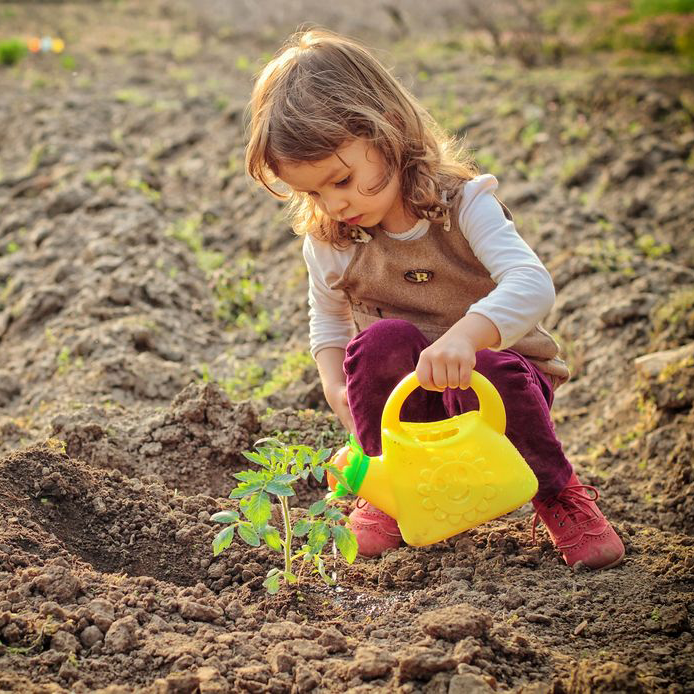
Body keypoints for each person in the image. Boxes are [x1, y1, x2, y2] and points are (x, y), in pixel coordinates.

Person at [245, 28, 625, 570]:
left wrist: (467, 337)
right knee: (379, 341)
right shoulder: (332, 238)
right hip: (406, 403)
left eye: (344, 179)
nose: (334, 202)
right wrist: (335, 389)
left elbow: (532, 282)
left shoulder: (464, 204)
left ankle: (557, 493)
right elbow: (327, 321)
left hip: (496, 391)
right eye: (314, 193)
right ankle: (388, 490)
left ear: (389, 131)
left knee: (497, 367)